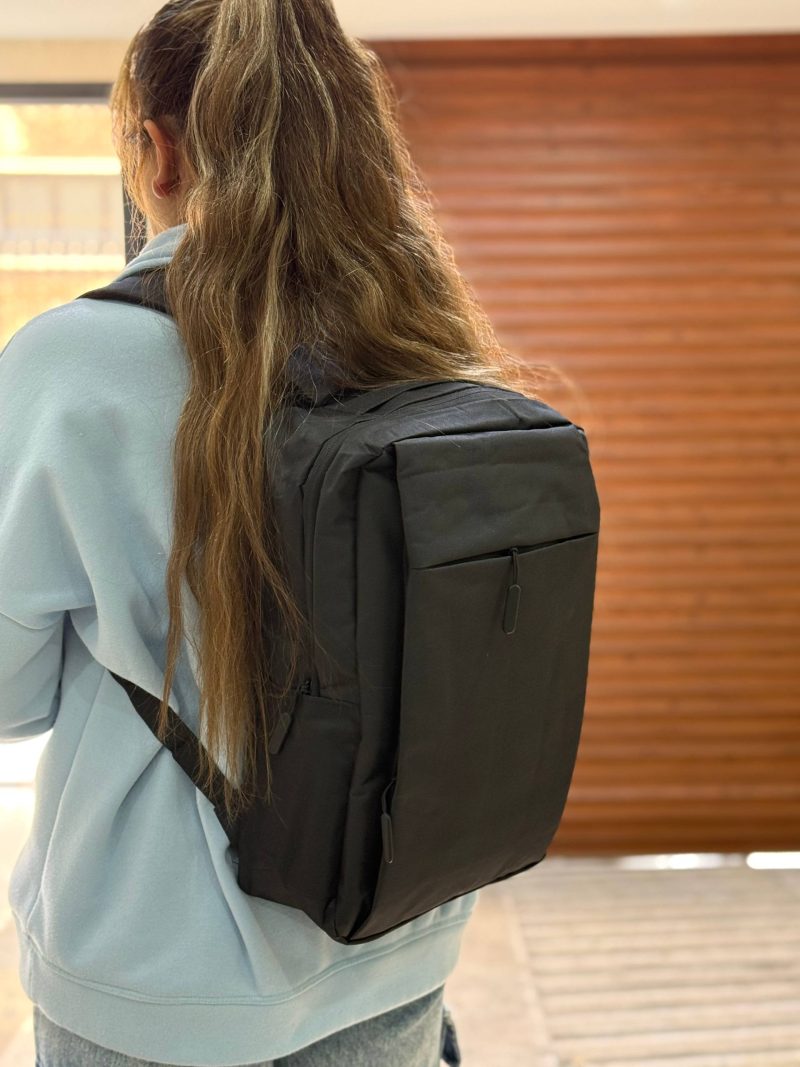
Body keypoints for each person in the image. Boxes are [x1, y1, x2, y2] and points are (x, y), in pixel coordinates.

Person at [0, 1, 546, 1063]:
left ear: (156, 148)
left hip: (157, 983)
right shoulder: (421, 341)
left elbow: (10, 698)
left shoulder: (71, 365)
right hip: (398, 940)